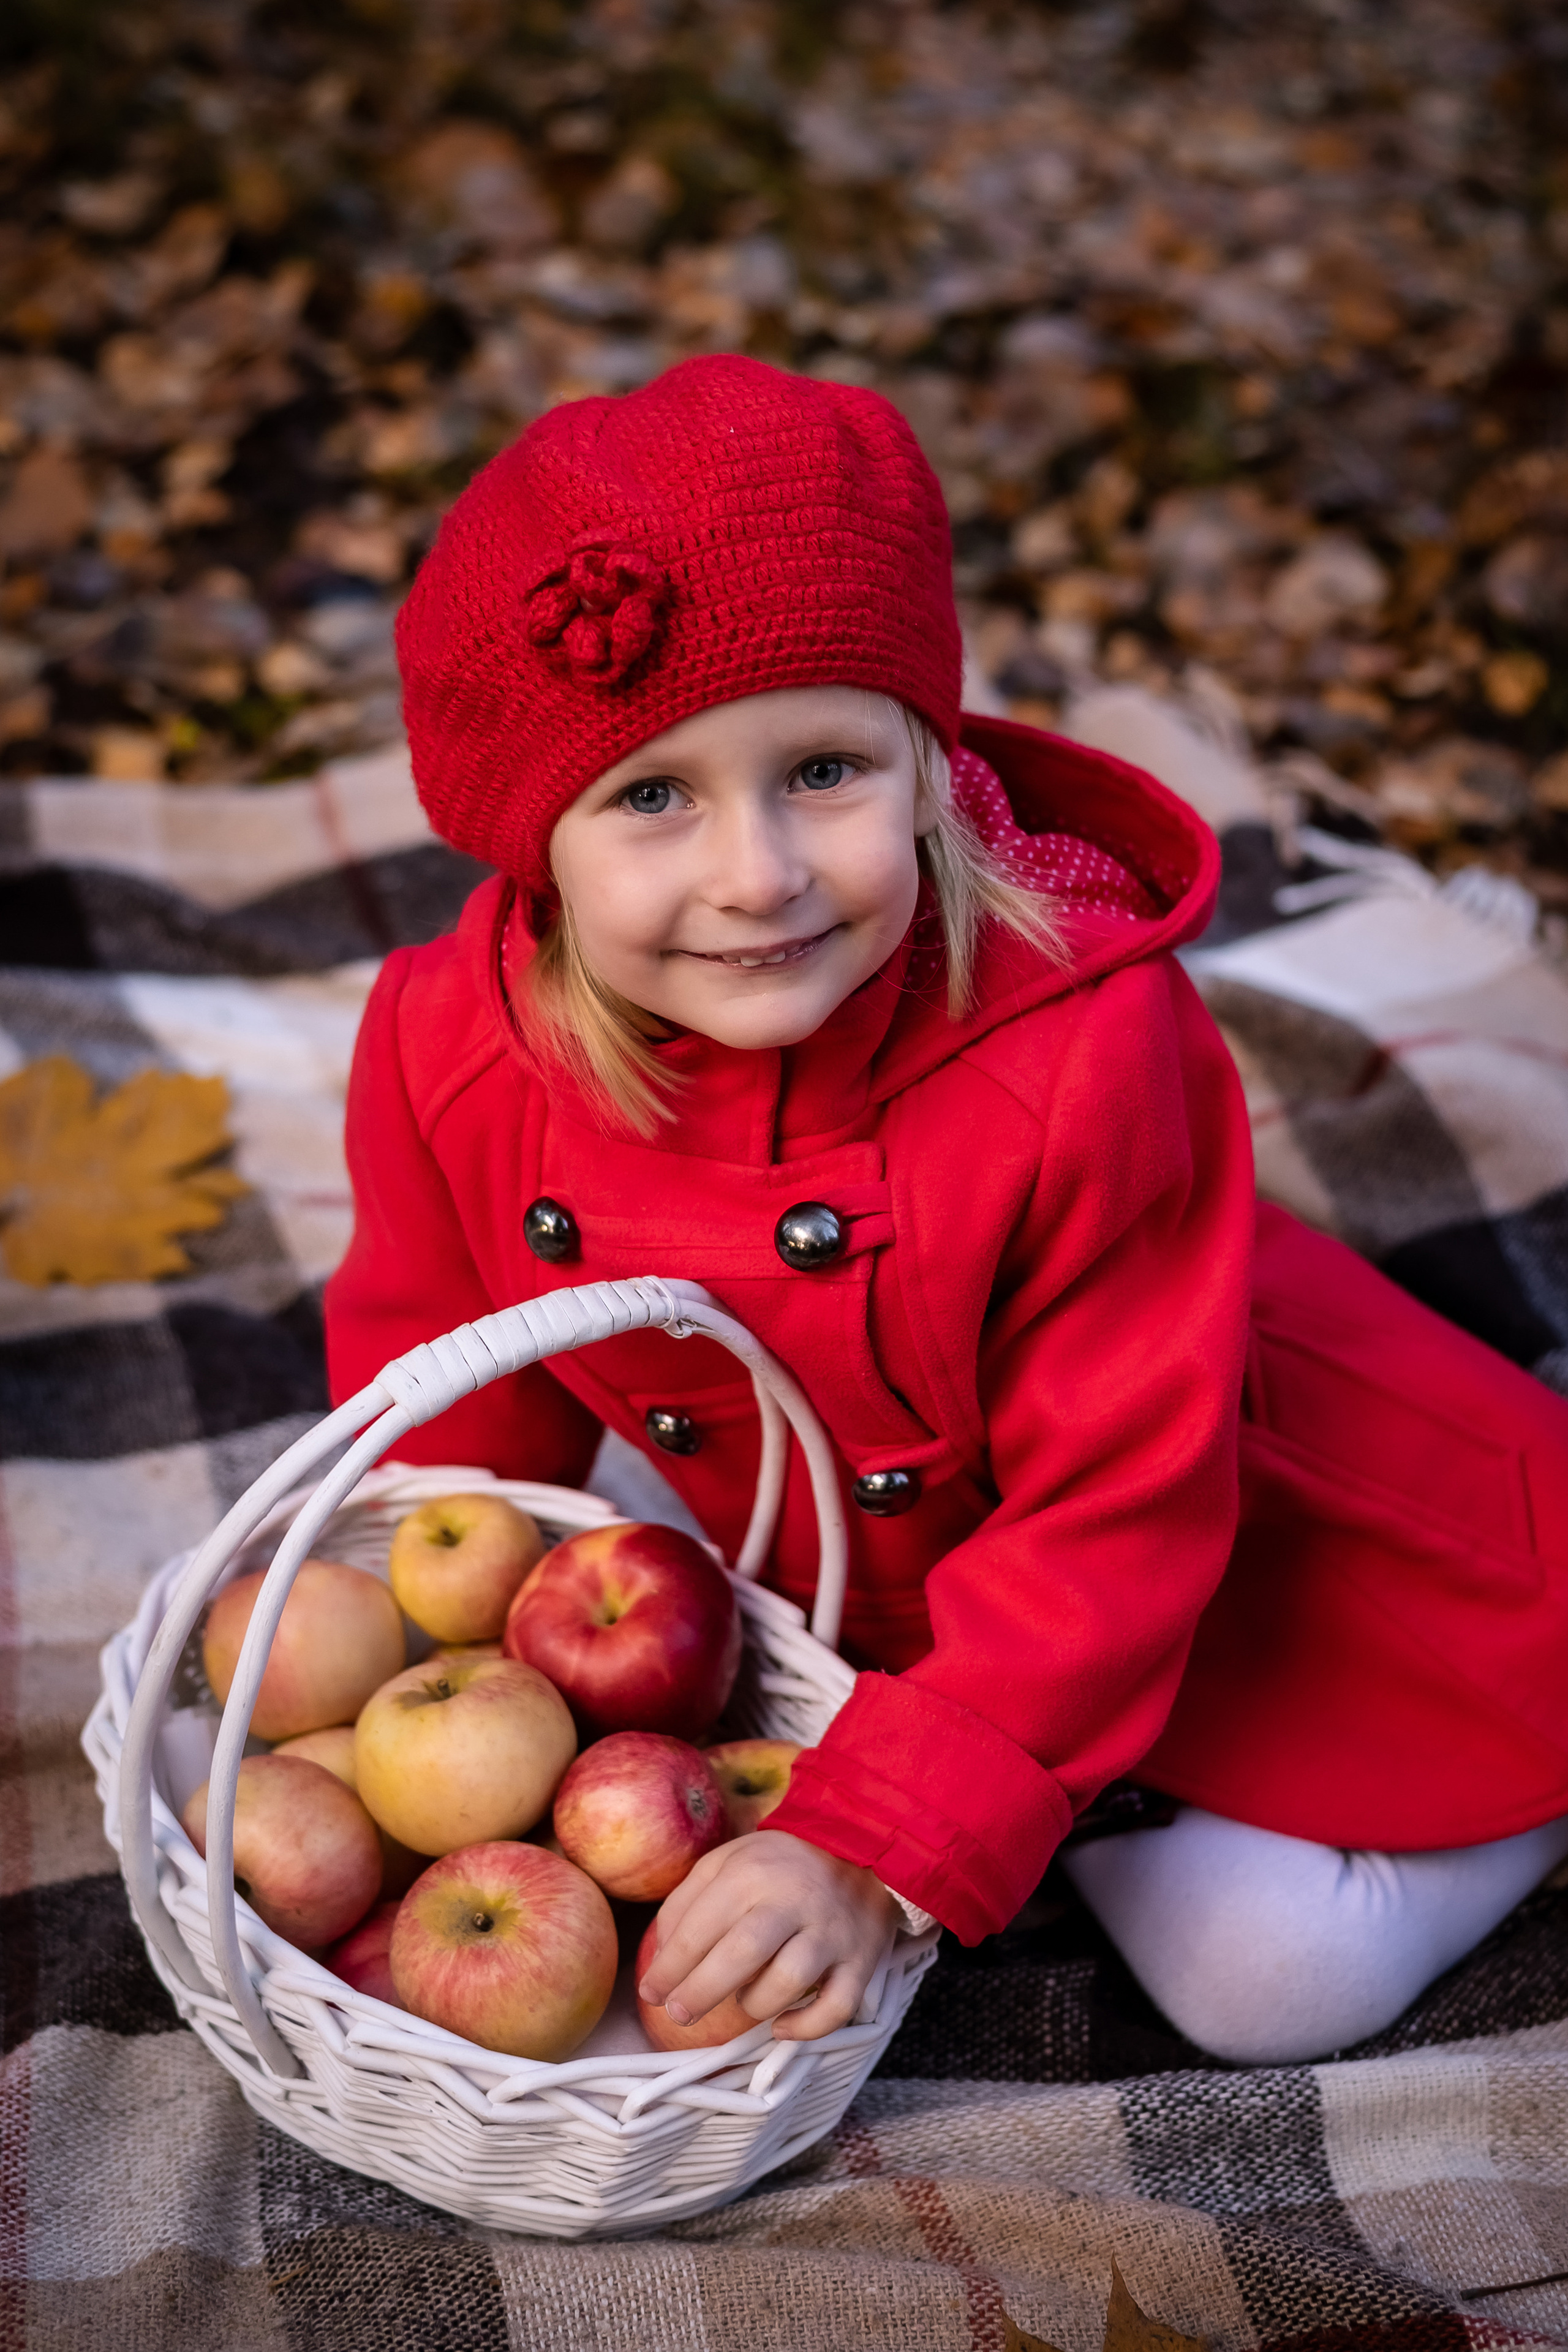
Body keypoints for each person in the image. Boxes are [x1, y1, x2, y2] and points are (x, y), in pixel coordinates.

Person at [325, 355, 1568, 2067]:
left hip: (1223, 1518)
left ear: (926, 760)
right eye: (654, 796)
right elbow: (447, 1371)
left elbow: (1124, 1507)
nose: (758, 874)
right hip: (882, 1585)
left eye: (824, 768)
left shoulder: (1084, 1052)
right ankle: (1038, 1764)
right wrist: (371, 1648)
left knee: (1266, 1985)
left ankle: (1523, 1776)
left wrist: (879, 1839)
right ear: (533, 839)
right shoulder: (445, 1045)